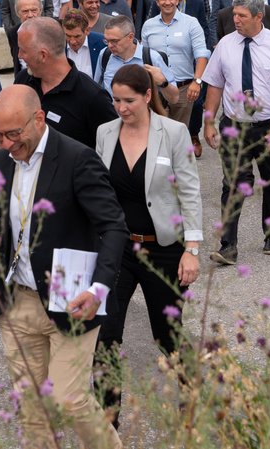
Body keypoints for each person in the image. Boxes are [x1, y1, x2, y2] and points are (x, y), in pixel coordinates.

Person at [0, 85, 127, 449]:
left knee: (70, 399)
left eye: (13, 134)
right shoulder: (1, 160)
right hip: (18, 301)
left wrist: (98, 289)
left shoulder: (76, 158)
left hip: (72, 297)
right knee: (31, 408)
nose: (5, 143)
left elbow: (113, 225)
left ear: (38, 119)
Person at [94, 64, 203, 421]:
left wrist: (192, 249)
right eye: (116, 100)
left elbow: (189, 190)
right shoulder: (105, 133)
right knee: (106, 335)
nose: (121, 108)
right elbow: (99, 192)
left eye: (129, 100)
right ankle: (108, 419)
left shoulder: (173, 132)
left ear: (146, 96)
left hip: (164, 249)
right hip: (119, 250)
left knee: (167, 335)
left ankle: (190, 400)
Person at [203, 0, 270, 263]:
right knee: (232, 184)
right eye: (234, 15)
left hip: (269, 126)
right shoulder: (225, 44)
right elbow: (214, 83)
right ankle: (228, 245)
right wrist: (209, 120)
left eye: (241, 16)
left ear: (259, 17)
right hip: (234, 125)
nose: (235, 20)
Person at [15, 17, 117, 148]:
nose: (19, 55)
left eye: (23, 50)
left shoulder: (93, 97)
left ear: (43, 55)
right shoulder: (23, 80)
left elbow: (112, 150)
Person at [141, 0, 209, 127]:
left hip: (184, 89)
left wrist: (197, 82)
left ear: (177, 0)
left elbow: (201, 54)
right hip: (157, 90)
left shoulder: (191, 23)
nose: (168, 2)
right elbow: (144, 57)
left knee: (180, 135)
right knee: (157, 133)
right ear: (157, 2)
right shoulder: (148, 26)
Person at [2, 0, 54, 73]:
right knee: (19, 62)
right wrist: (10, 29)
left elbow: (49, 7)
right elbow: (5, 10)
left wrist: (44, 25)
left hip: (40, 33)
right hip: (18, 33)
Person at [64, 9, 106, 78]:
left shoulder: (102, 43)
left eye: (77, 36)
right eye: (68, 36)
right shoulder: (58, 45)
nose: (72, 41)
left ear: (87, 30)